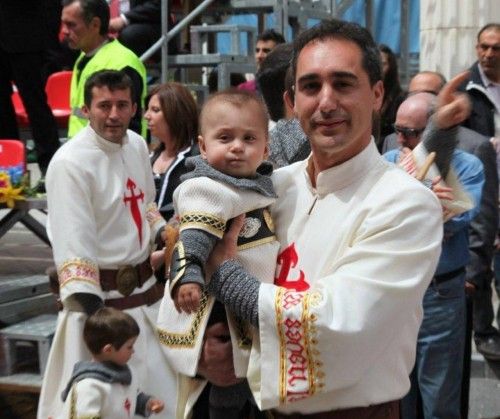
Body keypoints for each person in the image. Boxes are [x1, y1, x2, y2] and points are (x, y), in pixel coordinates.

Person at [180, 19, 475, 418]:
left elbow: (341, 319)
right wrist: (209, 346)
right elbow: (195, 243)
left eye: (343, 83)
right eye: (311, 86)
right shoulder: (273, 187)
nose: (326, 102)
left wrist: (227, 278)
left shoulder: (406, 202)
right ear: (292, 102)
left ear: (377, 94)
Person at [37, 70, 176, 419]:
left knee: (161, 405)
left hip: (145, 300)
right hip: (100, 315)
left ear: (133, 108)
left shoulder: (136, 144)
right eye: (103, 106)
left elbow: (145, 204)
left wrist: (162, 231)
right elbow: (74, 249)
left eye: (121, 105)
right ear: (85, 109)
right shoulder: (69, 163)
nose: (113, 114)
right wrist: (100, 324)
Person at [383, 69, 499, 418]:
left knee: (439, 398)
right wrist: (423, 197)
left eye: (411, 133)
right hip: (395, 290)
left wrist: (418, 193)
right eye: (397, 130)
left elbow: (458, 218)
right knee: (397, 394)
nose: (401, 140)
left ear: (436, 129)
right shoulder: (388, 162)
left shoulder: (469, 165)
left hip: (440, 294)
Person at [157, 89, 279, 418]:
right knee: (225, 384)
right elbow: (193, 238)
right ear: (203, 146)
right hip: (214, 309)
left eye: (248, 139)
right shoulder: (207, 187)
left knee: (247, 388)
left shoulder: (257, 185)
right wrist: (189, 277)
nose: (237, 147)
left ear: (266, 149)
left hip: (249, 304)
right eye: (225, 137)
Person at [459, 22, 500, 361]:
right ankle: (484, 331)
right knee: (480, 255)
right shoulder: (466, 90)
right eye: (484, 47)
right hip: (482, 185)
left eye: (496, 48)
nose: (488, 54)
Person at [61, 0, 147, 138]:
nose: (64, 31)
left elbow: (130, 126)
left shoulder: (122, 62)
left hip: (111, 155)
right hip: (87, 151)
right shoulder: (83, 56)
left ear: (95, 24)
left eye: (71, 25)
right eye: (64, 24)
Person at [59, 307, 164, 418]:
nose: (133, 351)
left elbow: (128, 398)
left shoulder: (125, 372)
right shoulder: (88, 387)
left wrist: (147, 403)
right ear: (108, 350)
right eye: (129, 347)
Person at [0, 0, 61, 177]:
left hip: (26, 38)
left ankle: (51, 167)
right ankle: (9, 170)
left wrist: (49, 42)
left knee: (36, 104)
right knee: (1, 109)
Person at [144, 82, 199, 278]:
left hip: (177, 264)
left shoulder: (195, 159)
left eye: (155, 110)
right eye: (148, 109)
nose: (147, 116)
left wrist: (165, 253)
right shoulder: (149, 155)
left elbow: (192, 213)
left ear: (175, 113)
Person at [108, 0, 178, 58]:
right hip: (113, 26)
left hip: (153, 28)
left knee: (128, 35)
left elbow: (158, 6)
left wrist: (123, 19)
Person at [376, 44, 406, 149]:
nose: (379, 68)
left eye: (383, 64)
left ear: (390, 66)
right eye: (376, 63)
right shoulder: (363, 93)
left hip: (389, 148)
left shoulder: (399, 98)